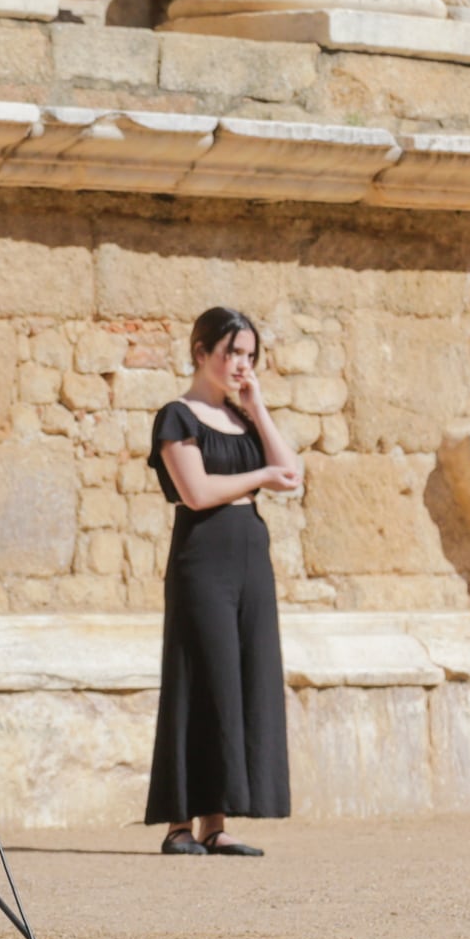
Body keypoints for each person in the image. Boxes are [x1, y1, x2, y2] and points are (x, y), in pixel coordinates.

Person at [145, 307, 301, 857]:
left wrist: (258, 408)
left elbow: (291, 473)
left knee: (239, 681)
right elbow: (197, 492)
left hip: (250, 559)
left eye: (250, 355)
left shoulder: (242, 418)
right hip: (202, 560)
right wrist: (257, 477)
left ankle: (217, 820)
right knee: (199, 678)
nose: (241, 365)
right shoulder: (177, 417)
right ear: (201, 352)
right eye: (232, 352)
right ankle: (178, 823)